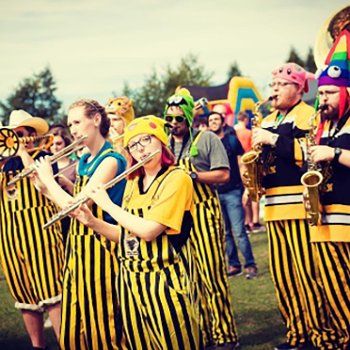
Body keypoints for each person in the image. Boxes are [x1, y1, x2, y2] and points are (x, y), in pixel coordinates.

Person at [70, 115, 202, 349]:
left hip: (165, 281)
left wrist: (107, 204)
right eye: (133, 144)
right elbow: (126, 235)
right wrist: (91, 222)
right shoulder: (132, 182)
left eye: (146, 140)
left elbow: (149, 231)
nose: (140, 149)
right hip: (130, 280)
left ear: (160, 142)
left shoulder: (177, 178)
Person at [252, 63, 338, 350]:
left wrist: (274, 139)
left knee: (307, 276)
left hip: (300, 207)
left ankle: (321, 336)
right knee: (283, 277)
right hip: (273, 207)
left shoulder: (308, 115)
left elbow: (310, 155)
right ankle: (297, 334)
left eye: (281, 84)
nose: (273, 89)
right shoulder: (266, 118)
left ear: (300, 88)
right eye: (272, 84)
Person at [33, 99, 127, 350]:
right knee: (74, 330)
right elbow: (69, 204)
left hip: (102, 252)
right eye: (69, 123)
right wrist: (45, 188)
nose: (72, 129)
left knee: (104, 329)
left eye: (77, 122)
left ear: (96, 119)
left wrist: (49, 181)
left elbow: (77, 207)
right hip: (78, 251)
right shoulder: (84, 158)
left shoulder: (111, 160)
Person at [164, 89, 238, 348]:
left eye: (178, 119)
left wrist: (192, 176)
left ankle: (226, 336)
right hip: (178, 217)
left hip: (204, 212)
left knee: (213, 276)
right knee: (191, 279)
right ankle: (206, 334)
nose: (174, 125)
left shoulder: (207, 138)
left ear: (187, 117)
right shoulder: (165, 143)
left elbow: (223, 175)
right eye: (169, 119)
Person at [0, 110, 64, 349]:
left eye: (20, 134)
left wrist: (22, 152)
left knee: (53, 294)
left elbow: (41, 182)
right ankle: (38, 345)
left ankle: (64, 342)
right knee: (24, 297)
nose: (15, 139)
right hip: (10, 239)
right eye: (12, 134)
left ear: (31, 135)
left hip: (42, 237)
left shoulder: (44, 156)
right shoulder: (2, 164)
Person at [309, 30, 350, 350]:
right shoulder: (324, 126)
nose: (323, 99)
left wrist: (333, 153)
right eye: (321, 94)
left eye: (330, 94)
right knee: (332, 283)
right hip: (326, 214)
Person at [208, 111, 257, 279]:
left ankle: (250, 264)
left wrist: (246, 188)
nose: (213, 122)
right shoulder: (207, 143)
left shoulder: (231, 140)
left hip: (233, 191)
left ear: (222, 123)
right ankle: (234, 265)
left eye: (216, 119)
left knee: (239, 231)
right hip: (215, 193)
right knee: (226, 232)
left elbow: (241, 165)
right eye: (211, 120)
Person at [234, 111, 263, 233]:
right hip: (249, 163)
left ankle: (247, 221)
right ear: (245, 119)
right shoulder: (249, 133)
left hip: (238, 164)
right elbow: (254, 148)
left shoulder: (233, 132)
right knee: (254, 191)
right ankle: (255, 221)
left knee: (244, 193)